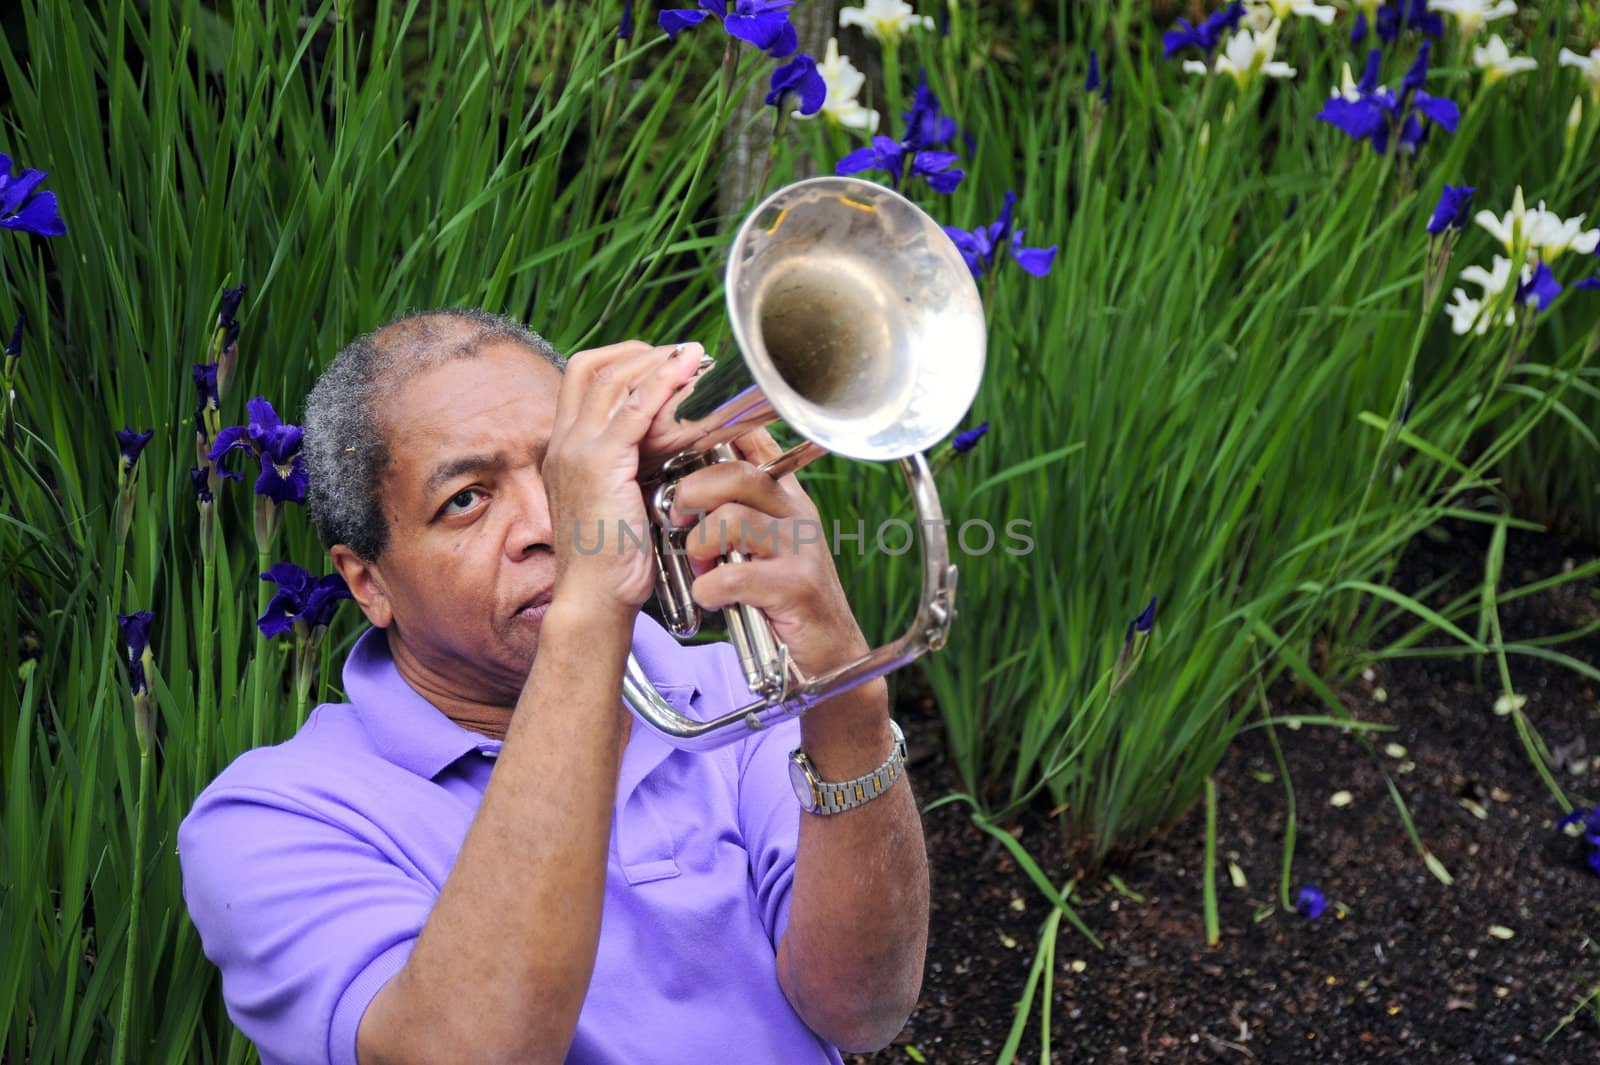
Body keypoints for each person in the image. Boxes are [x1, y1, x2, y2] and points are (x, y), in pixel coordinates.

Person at [178, 309, 931, 1065]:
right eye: (466, 498)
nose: (548, 523)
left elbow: (861, 1009)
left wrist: (846, 694)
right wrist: (591, 602)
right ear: (368, 583)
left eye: (560, 473)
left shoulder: (735, 687)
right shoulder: (270, 815)